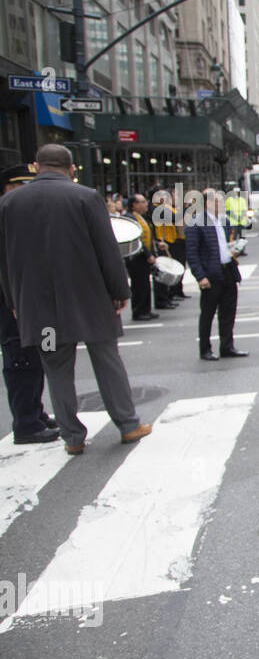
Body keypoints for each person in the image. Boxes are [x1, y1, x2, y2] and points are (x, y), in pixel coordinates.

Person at [0, 144, 152, 454]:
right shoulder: (85, 197)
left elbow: (4, 260)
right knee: (106, 359)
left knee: (56, 368)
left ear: (36, 166)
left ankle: (72, 437)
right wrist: (120, 291)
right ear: (71, 169)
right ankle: (128, 424)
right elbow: (106, 248)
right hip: (90, 299)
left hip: (40, 307)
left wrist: (13, 300)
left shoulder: (8, 203)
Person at [0, 163, 58, 444]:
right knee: (20, 358)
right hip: (10, 300)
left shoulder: (16, 215)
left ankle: (34, 413)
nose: (26, 191)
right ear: (7, 188)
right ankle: (25, 423)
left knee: (34, 356)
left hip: (24, 297)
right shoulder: (5, 214)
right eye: (20, 185)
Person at [186, 187, 248, 361]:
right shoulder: (196, 223)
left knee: (228, 312)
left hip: (228, 269)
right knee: (207, 313)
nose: (221, 203)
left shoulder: (223, 220)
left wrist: (234, 249)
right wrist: (200, 276)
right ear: (207, 203)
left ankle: (227, 346)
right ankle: (205, 349)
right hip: (211, 274)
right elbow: (192, 253)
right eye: (218, 201)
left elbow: (225, 243)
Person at [124, 192, 161, 321]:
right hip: (136, 258)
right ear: (134, 205)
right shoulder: (130, 218)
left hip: (143, 257)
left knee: (145, 285)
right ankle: (138, 311)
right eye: (143, 202)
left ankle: (146, 309)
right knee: (139, 285)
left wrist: (156, 244)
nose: (146, 204)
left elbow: (147, 237)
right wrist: (148, 254)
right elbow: (137, 239)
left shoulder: (140, 217)